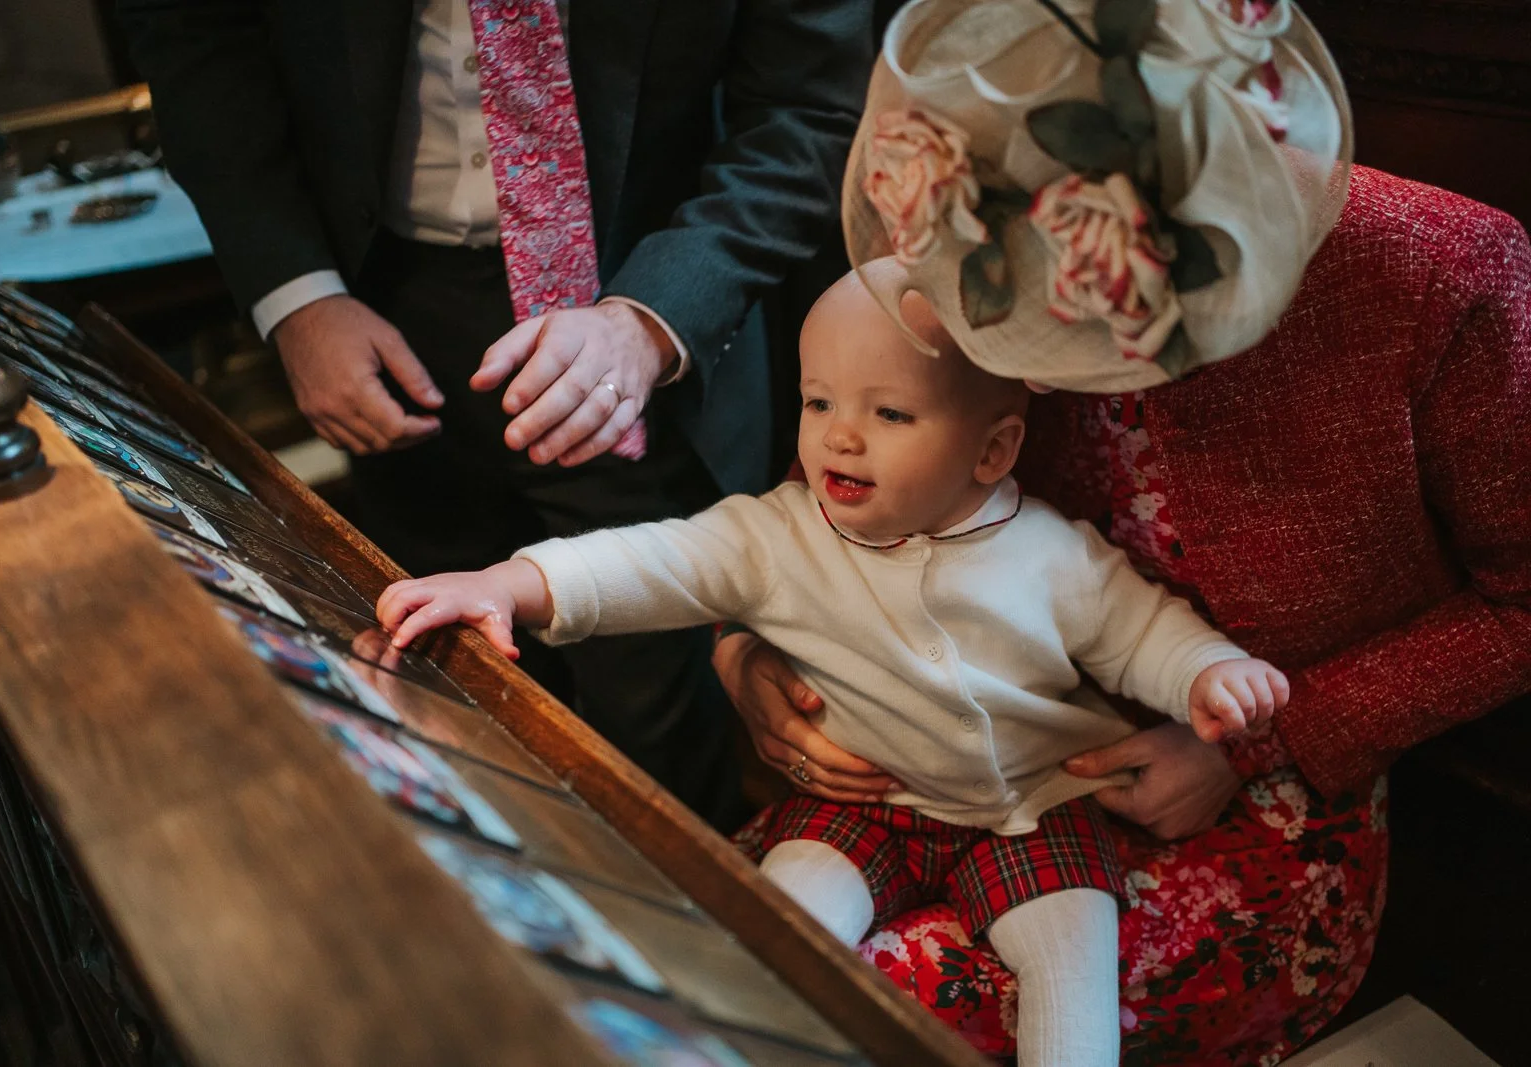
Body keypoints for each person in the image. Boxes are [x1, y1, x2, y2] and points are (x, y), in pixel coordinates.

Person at [721, 1, 1531, 1062]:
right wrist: (750, 654)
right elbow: (837, 476)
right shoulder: (967, 230)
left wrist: (1251, 745)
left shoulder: (1442, 275)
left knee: (870, 1007)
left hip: (1258, 789)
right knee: (733, 960)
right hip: (948, 737)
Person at [376, 260, 1290, 1067]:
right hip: (859, 801)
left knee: (1074, 963)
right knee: (776, 937)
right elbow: (645, 560)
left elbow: (1142, 633)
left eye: (889, 412)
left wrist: (1208, 672)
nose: (840, 437)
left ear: (993, 450)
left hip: (1033, 807)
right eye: (820, 402)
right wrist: (507, 583)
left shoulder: (1053, 553)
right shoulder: (777, 533)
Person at [117, 0, 873, 828]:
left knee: (660, 766)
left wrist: (652, 319)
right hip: (388, 315)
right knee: (451, 721)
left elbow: (808, 109)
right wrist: (296, 298)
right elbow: (198, 42)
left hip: (651, 310)